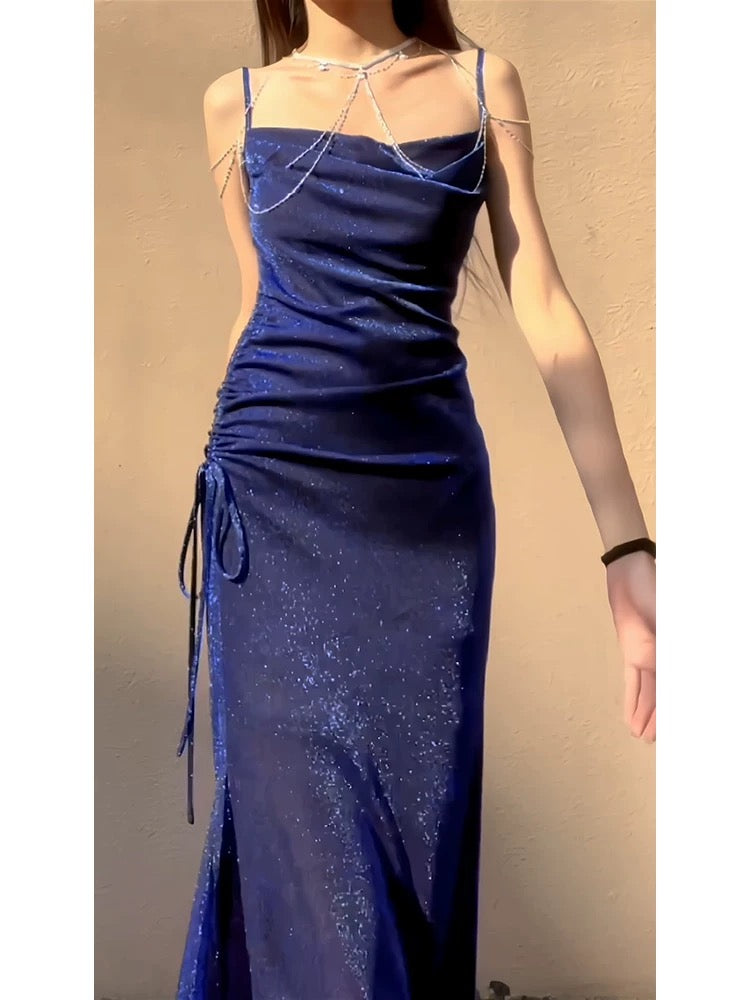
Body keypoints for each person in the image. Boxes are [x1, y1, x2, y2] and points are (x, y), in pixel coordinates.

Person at [175, 3, 656, 998]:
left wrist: (628, 548)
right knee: (304, 852)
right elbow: (256, 300)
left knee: (412, 852)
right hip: (269, 508)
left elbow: (545, 306)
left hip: (425, 518)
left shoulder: (482, 86)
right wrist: (214, 471)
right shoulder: (236, 105)